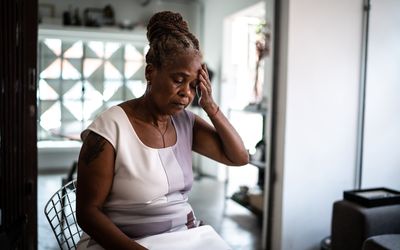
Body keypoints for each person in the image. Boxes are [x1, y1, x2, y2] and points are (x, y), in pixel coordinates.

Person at [76, 11, 249, 250]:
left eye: (193, 85)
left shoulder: (185, 122)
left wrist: (209, 106)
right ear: (150, 72)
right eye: (178, 80)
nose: (186, 94)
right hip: (125, 243)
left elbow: (239, 158)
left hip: (182, 237)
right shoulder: (110, 129)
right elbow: (87, 213)